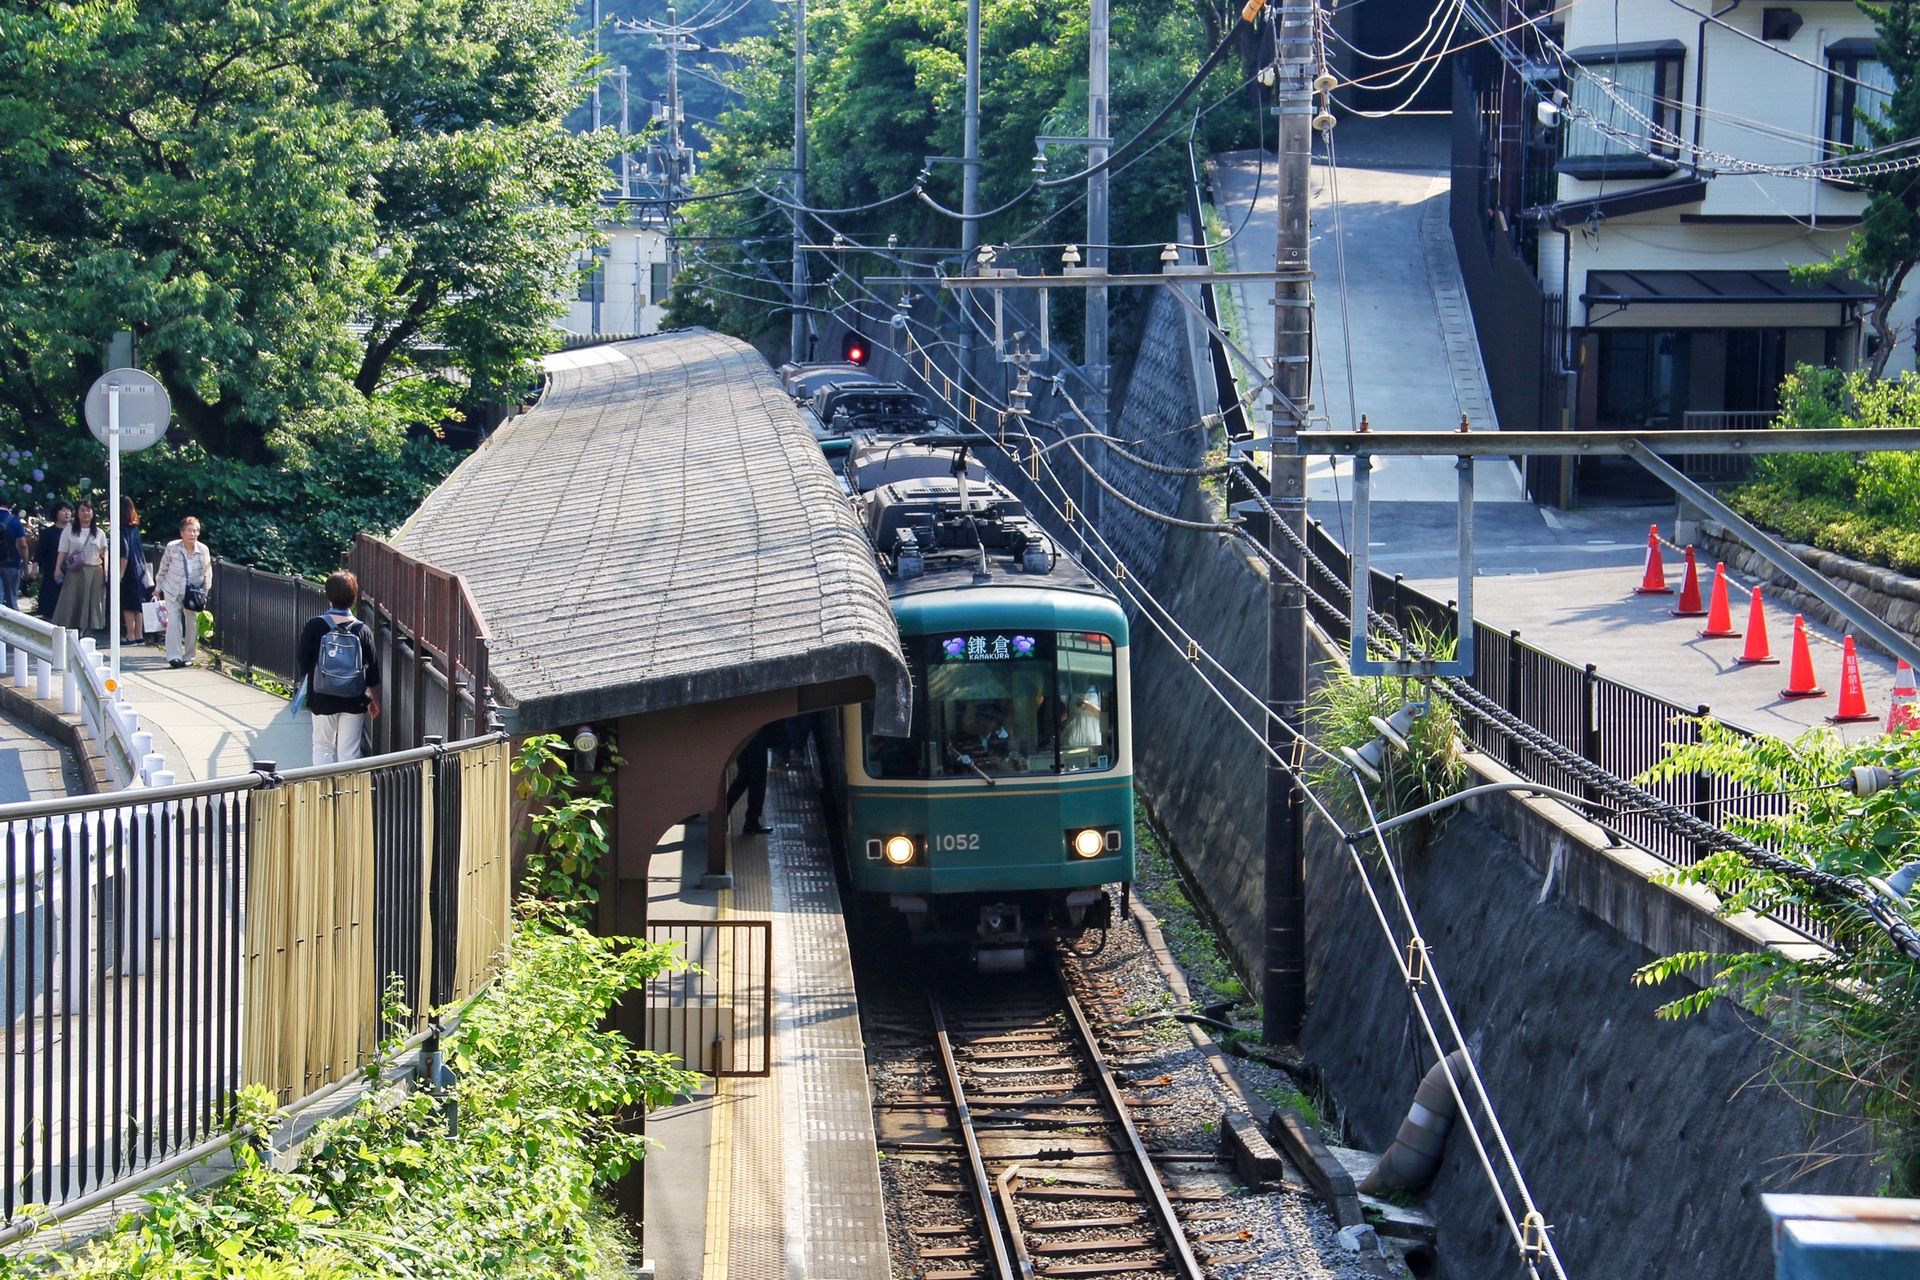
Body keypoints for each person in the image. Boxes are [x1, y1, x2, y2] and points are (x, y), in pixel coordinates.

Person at [296, 571, 381, 765]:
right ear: (354, 598)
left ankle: (324, 793)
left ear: (328, 597)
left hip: (322, 695)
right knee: (349, 752)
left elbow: (302, 659)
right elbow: (373, 669)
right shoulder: (362, 630)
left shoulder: (315, 626)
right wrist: (373, 698)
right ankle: (349, 793)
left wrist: (313, 680)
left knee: (322, 747)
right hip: (354, 697)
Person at [154, 516, 212, 668]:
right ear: (182, 533)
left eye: (196, 531)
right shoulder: (172, 547)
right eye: (190, 530)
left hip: (193, 591)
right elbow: (163, 567)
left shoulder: (203, 549)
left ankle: (189, 656)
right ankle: (174, 656)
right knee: (173, 620)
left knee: (192, 622)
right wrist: (157, 588)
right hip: (172, 588)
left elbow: (208, 572)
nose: (193, 534)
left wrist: (205, 592)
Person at [50, 501, 108, 633]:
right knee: (72, 601)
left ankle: (89, 634)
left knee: (93, 602)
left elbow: (104, 553)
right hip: (75, 571)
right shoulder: (69, 529)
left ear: (93, 513)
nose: (86, 513)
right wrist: (58, 568)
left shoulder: (99, 533)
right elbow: (63, 550)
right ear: (77, 513)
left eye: (88, 510)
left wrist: (107, 571)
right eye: (82, 510)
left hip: (95, 571)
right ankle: (72, 633)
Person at [726, 723, 783, 835]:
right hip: (756, 732)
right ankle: (751, 821)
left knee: (744, 777)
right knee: (757, 779)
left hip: (742, 731)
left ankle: (723, 814)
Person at [118, 496, 151, 644]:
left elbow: (124, 552)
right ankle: (139, 635)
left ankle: (130, 635)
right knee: (139, 604)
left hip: (129, 570)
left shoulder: (122, 530)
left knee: (128, 604)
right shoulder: (135, 528)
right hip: (140, 569)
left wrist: (120, 573)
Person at [31, 502, 70, 619]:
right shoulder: (49, 532)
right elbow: (40, 551)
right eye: (63, 510)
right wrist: (35, 567)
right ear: (56, 514)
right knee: (51, 595)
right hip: (52, 568)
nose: (67, 513)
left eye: (68, 510)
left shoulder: (74, 531)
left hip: (71, 568)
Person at [0, 499, 26, 611]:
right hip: (12, 564)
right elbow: (23, 545)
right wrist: (25, 567)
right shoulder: (15, 521)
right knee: (12, 600)